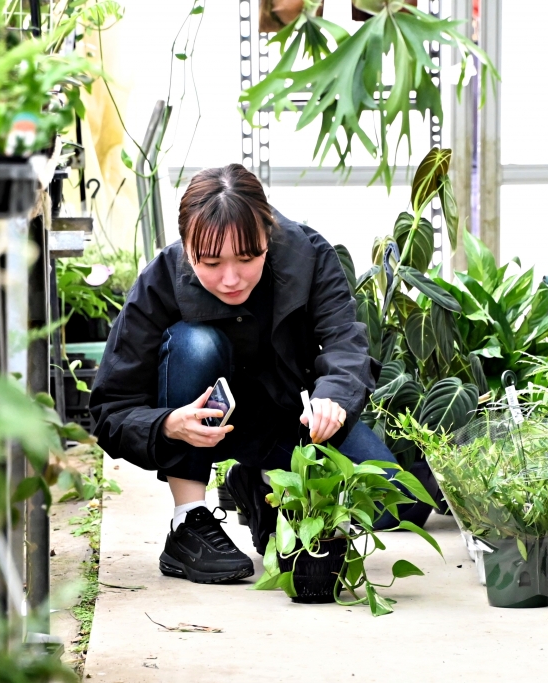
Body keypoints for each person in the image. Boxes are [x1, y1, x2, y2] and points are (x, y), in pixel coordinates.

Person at [89, 164, 401, 585]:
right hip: (202, 430)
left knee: (390, 499)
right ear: (187, 246)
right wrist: (167, 425)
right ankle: (189, 520)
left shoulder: (309, 255)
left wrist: (333, 400)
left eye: (248, 257)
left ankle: (259, 486)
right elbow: (110, 407)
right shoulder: (160, 279)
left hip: (291, 419)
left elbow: (345, 342)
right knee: (196, 344)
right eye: (211, 262)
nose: (231, 279)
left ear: (267, 235)